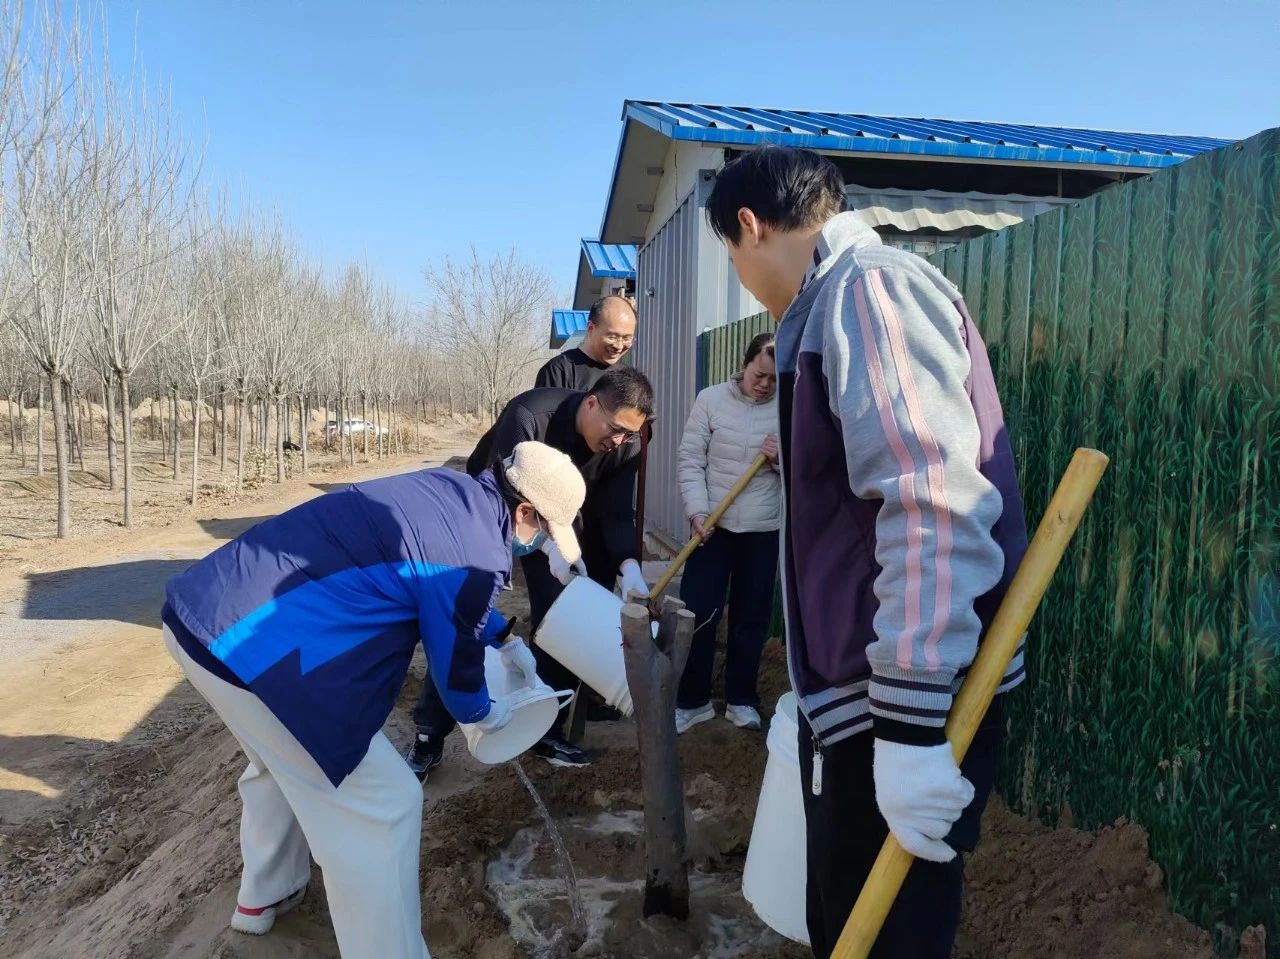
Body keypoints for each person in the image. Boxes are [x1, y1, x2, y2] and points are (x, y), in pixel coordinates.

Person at [705, 146, 1029, 959]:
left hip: (907, 703)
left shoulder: (870, 287)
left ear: (748, 225)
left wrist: (914, 725)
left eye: (732, 258)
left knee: (890, 936)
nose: (744, 277)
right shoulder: (825, 307)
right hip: (869, 703)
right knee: (846, 923)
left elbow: (930, 499)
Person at [161, 442, 586, 957]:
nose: (537, 543)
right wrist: (489, 713)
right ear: (524, 511)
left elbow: (429, 582)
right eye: (542, 531)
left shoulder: (451, 492)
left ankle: (264, 896)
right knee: (386, 803)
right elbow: (457, 677)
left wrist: (503, 635)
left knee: (282, 763)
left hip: (202, 616)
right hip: (252, 652)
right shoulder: (475, 555)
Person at [407, 366, 655, 775]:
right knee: (463, 611)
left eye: (629, 434)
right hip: (498, 508)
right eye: (614, 429)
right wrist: (543, 545)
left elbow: (613, 513)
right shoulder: (529, 415)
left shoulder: (626, 445)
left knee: (564, 612)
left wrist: (628, 567)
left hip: (562, 514)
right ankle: (429, 734)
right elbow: (504, 490)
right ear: (592, 402)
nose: (619, 441)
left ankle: (544, 728)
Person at [673, 332, 781, 735]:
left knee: (751, 618)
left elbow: (805, 470)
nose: (765, 385)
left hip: (761, 529)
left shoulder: (788, 408)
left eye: (773, 379)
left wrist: (779, 460)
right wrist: (698, 511)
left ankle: (741, 699)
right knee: (699, 611)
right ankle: (692, 701)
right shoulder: (711, 400)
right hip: (712, 526)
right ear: (745, 362)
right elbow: (689, 459)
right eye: (760, 375)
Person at [536, 295, 637, 390]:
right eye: (612, 337)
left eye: (626, 338)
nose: (619, 346)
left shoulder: (627, 378)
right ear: (590, 328)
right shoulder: (559, 371)